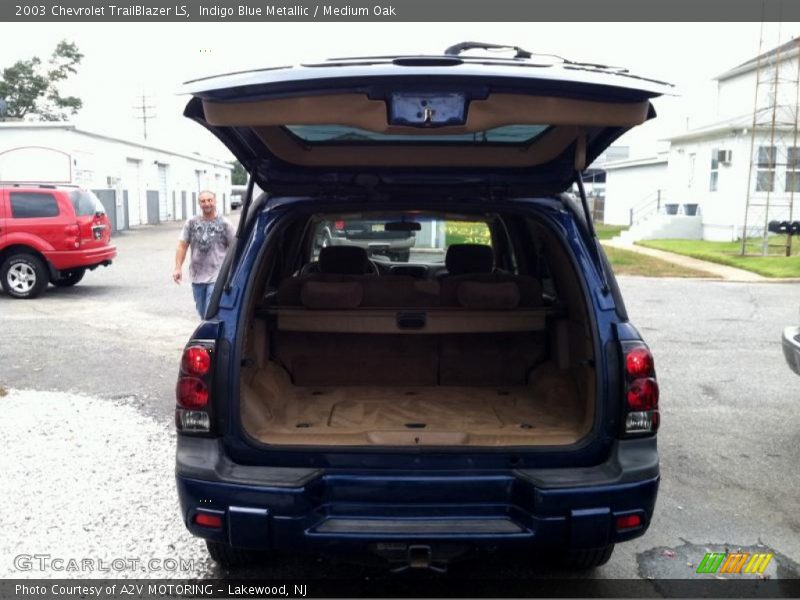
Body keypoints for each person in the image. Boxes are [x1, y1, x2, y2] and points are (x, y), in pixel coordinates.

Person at [173, 190, 235, 317]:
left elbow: (235, 248)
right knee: (202, 312)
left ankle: (212, 335)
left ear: (215, 201)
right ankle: (210, 333)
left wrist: (232, 273)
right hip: (197, 275)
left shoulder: (225, 224)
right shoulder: (191, 223)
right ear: (199, 204)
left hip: (217, 275)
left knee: (209, 311)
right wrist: (178, 268)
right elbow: (182, 246)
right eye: (203, 201)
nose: (207, 204)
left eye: (210, 200)